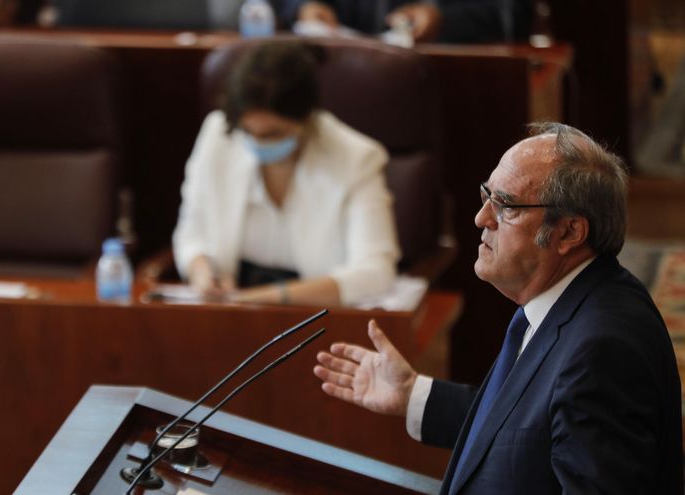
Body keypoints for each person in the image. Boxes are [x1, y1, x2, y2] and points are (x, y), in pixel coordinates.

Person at [314, 123, 683, 493]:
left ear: (570, 233)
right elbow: (528, 430)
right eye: (487, 195)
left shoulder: (602, 350)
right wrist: (413, 394)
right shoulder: (565, 302)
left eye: (505, 205)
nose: (481, 218)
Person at [172, 41, 401, 307]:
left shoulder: (356, 158)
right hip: (229, 310)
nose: (258, 143)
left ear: (305, 119)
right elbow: (190, 236)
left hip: (314, 315)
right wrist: (202, 273)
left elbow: (375, 271)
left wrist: (259, 300)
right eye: (248, 132)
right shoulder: (219, 135)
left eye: (273, 134)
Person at [281, 0, 533, 43]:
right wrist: (304, 5)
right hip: (347, 77)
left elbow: (516, 13)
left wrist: (444, 21)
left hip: (449, 81)